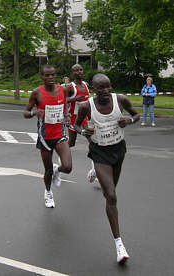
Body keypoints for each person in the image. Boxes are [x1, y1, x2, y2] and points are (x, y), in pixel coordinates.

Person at [74, 73, 140, 264]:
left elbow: (136, 115)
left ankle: (98, 175)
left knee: (111, 192)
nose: (105, 91)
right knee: (111, 196)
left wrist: (129, 121)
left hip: (118, 150)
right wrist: (83, 131)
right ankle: (119, 245)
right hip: (100, 152)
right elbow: (77, 126)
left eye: (108, 87)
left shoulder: (120, 100)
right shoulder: (87, 106)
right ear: (94, 89)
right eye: (101, 88)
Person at [24, 65, 72, 208]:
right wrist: (34, 113)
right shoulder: (37, 93)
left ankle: (58, 170)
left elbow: (65, 107)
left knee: (68, 167)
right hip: (44, 137)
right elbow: (25, 112)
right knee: (48, 170)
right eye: (47, 75)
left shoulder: (62, 90)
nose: (50, 78)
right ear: (42, 77)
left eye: (53, 75)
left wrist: (67, 116)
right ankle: (48, 192)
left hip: (59, 134)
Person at [66, 64, 90, 147]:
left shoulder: (86, 84)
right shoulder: (70, 87)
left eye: (81, 69)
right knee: (71, 143)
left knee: (90, 137)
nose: (79, 72)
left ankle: (97, 158)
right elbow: (63, 101)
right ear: (73, 73)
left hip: (84, 117)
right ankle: (62, 154)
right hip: (73, 118)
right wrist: (75, 99)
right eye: (76, 70)